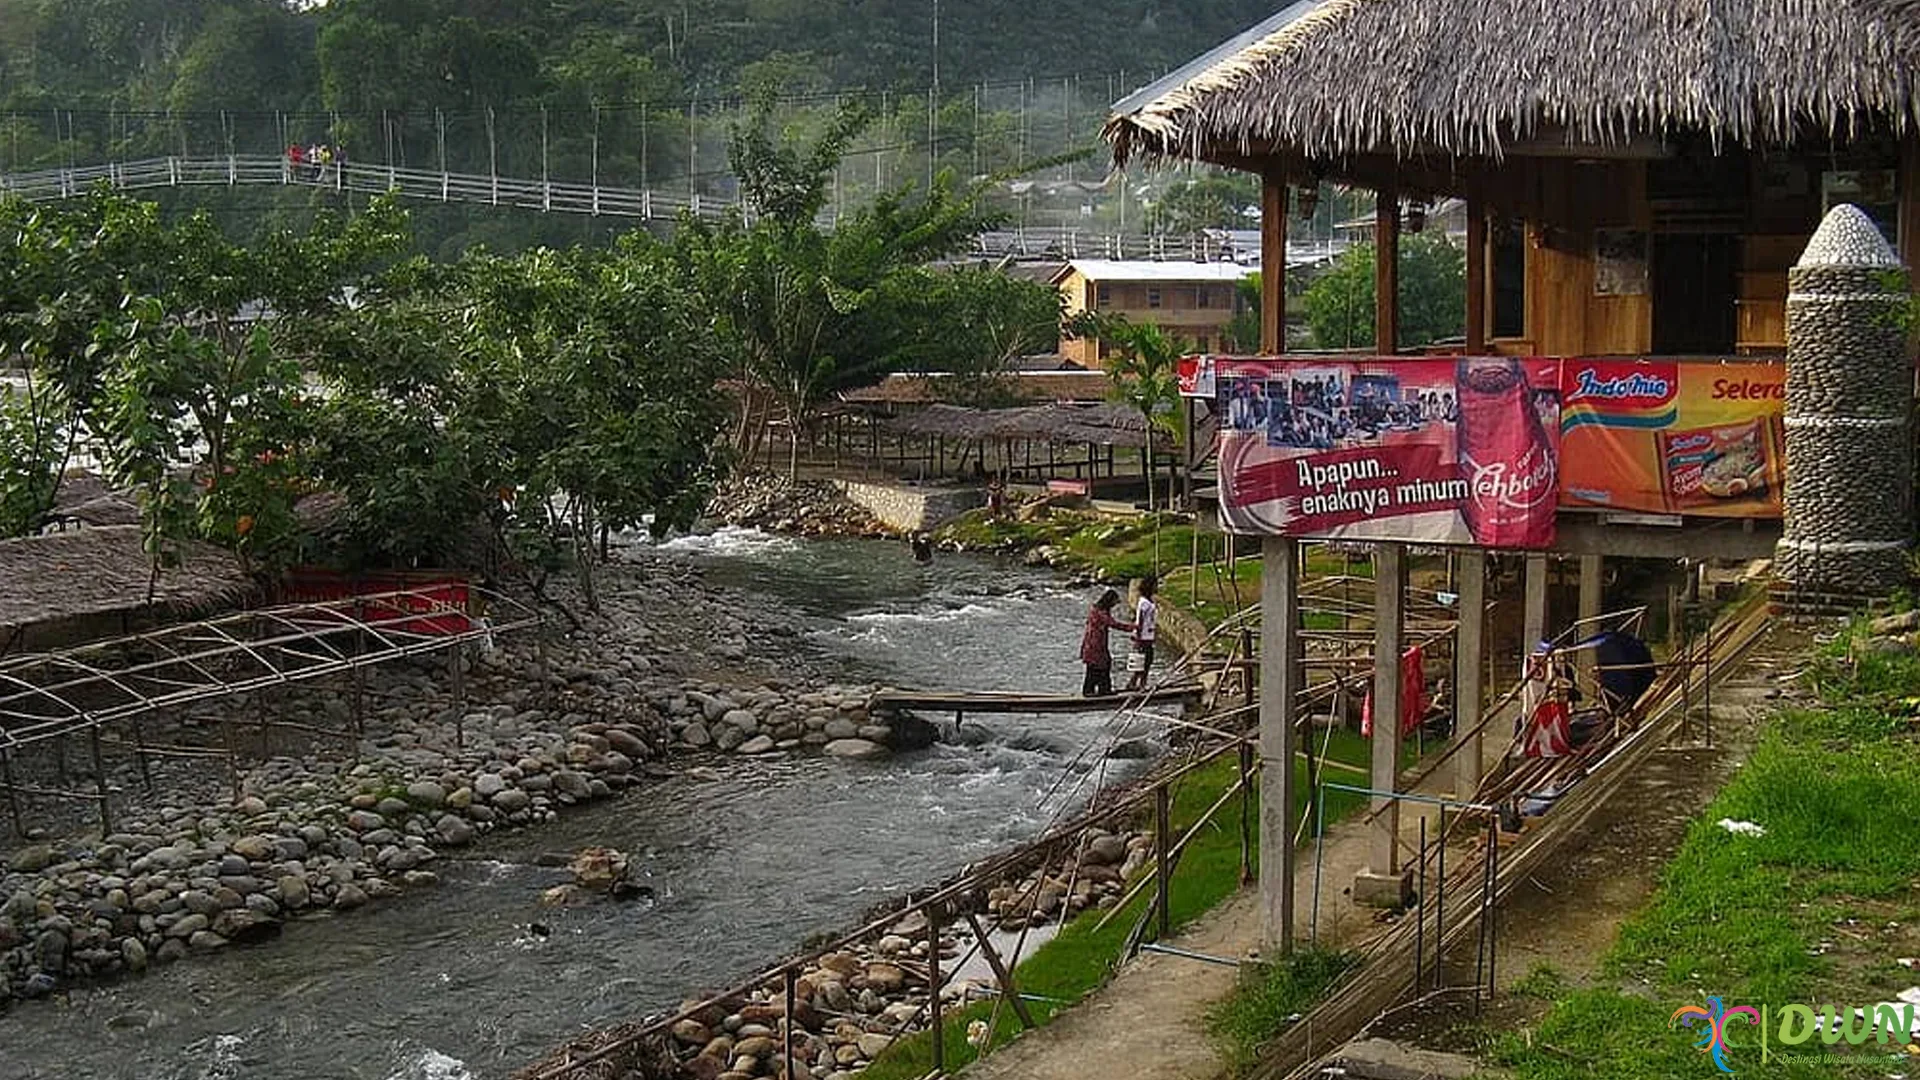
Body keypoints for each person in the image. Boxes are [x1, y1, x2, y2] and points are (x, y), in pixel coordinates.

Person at [1079, 588, 1134, 697]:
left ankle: (1104, 689)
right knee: (1096, 667)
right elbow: (1113, 624)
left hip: (1094, 644)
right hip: (1095, 645)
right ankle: (1091, 691)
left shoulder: (1096, 610)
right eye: (1114, 603)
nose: (1114, 606)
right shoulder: (1100, 613)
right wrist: (1131, 627)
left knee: (1102, 665)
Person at [1125, 575, 1160, 692]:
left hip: (1149, 635)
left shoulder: (1149, 601)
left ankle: (1136, 683)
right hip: (1143, 637)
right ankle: (1139, 684)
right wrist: (1137, 636)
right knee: (1144, 661)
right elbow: (1140, 620)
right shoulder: (1144, 603)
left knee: (1147, 661)